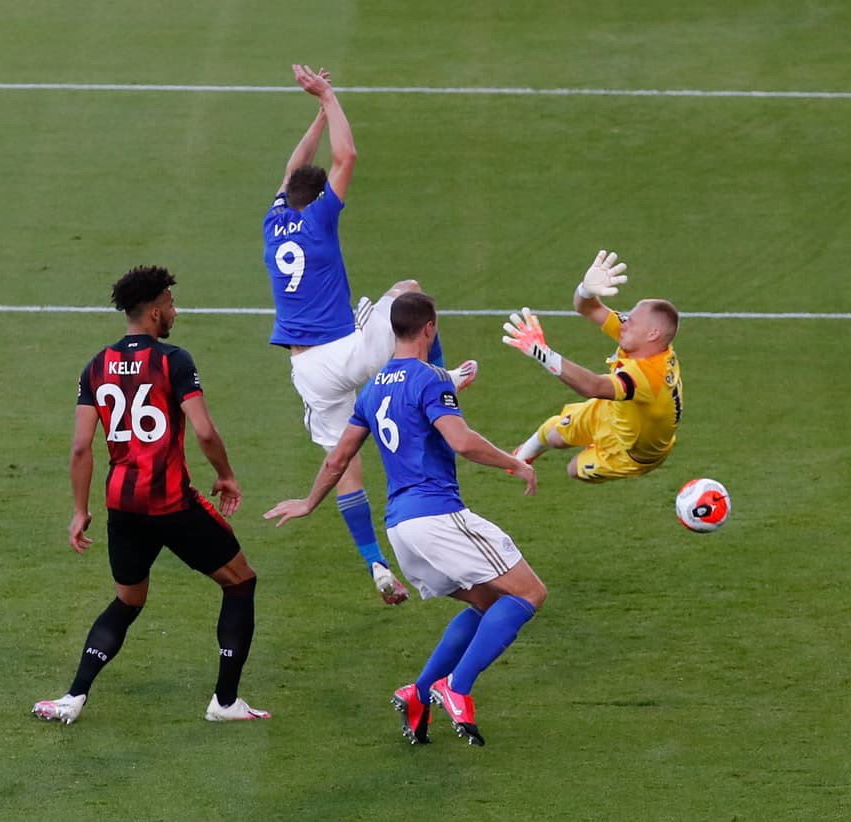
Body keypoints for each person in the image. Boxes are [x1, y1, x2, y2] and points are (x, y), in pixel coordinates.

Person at [265, 291, 544, 748]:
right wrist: (514, 463)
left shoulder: (373, 388)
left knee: (487, 604)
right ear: (429, 328)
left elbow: (338, 460)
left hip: (400, 532)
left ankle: (417, 694)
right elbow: (461, 441)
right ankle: (457, 686)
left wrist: (309, 503)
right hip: (436, 517)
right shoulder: (429, 378)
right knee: (530, 593)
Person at [263, 64, 477, 606]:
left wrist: (315, 116)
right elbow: (346, 158)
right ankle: (440, 375)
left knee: (346, 463)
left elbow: (295, 168)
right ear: (319, 202)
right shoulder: (317, 221)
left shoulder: (274, 221)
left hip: (308, 370)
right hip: (350, 351)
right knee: (410, 293)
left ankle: (377, 566)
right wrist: (329, 98)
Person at [33, 266, 269, 725]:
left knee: (128, 600)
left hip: (122, 506)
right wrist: (226, 475)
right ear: (156, 309)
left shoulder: (95, 366)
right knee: (240, 581)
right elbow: (203, 429)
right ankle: (224, 702)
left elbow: (82, 447)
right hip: (171, 503)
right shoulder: (174, 361)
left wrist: (80, 511)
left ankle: (73, 697)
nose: (175, 313)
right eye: (172, 304)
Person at [503, 249, 683, 482]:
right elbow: (588, 308)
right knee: (556, 436)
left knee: (574, 468)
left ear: (653, 334)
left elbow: (594, 387)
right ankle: (520, 457)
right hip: (615, 411)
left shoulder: (649, 377)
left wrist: (543, 354)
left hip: (630, 454)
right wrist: (586, 290)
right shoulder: (644, 341)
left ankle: (594, 442)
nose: (624, 323)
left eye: (632, 321)